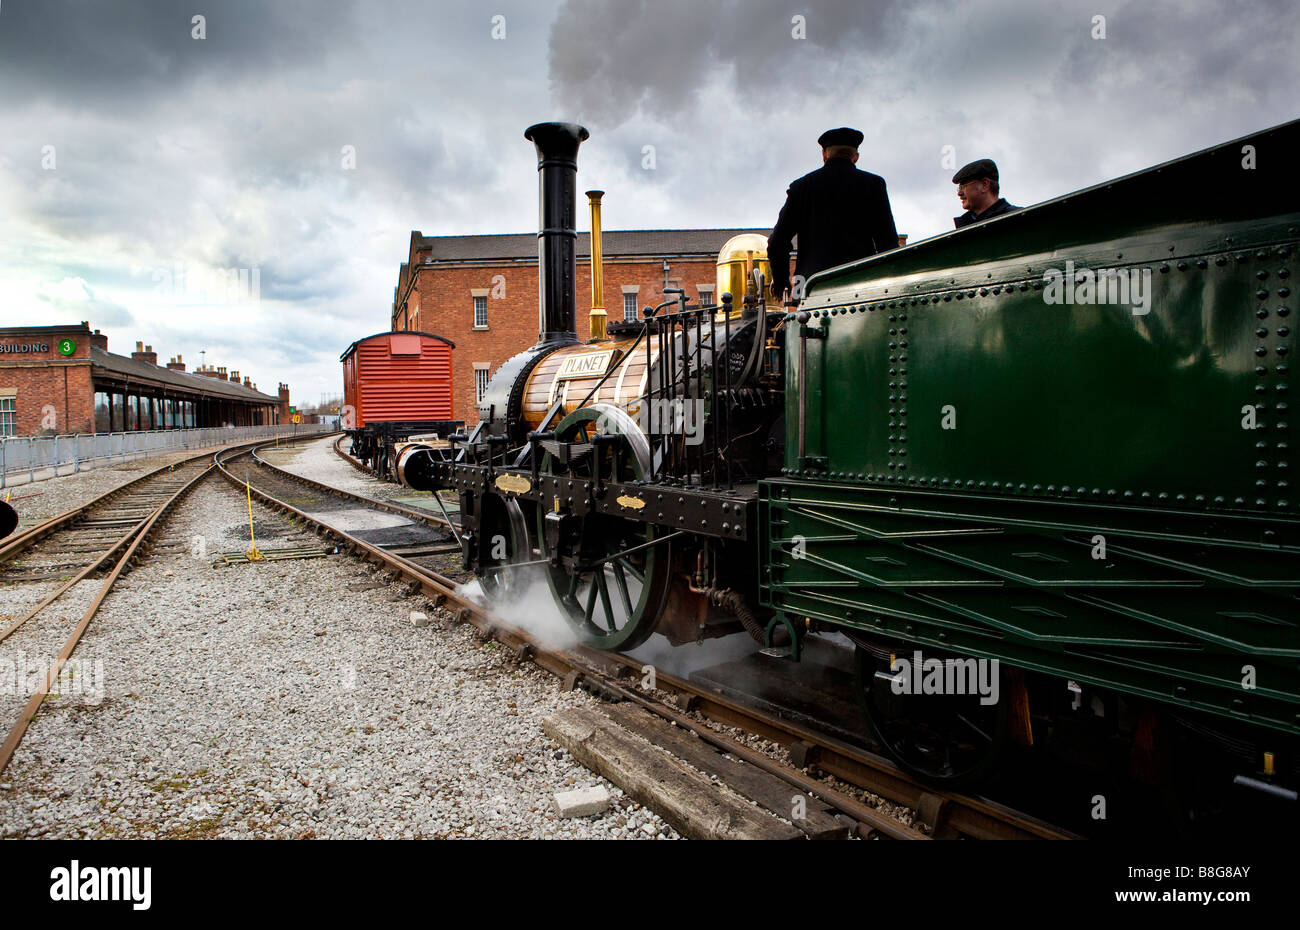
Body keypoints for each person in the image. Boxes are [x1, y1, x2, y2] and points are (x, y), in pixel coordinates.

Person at [768, 127, 898, 302]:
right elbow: (888, 244)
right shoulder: (874, 184)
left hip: (810, 288)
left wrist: (781, 279)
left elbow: (778, 241)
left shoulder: (801, 187)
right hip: (861, 287)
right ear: (856, 156)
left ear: (824, 154)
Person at [952, 158, 1020, 228]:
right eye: (959, 188)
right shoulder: (963, 230)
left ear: (985, 185)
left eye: (963, 187)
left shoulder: (1021, 219)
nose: (959, 193)